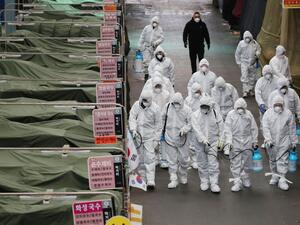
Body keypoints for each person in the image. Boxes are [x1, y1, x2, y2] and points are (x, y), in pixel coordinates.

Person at [262, 95, 297, 191]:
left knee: (283, 160)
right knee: (272, 159)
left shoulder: (288, 113)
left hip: (284, 140)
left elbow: (292, 128)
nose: (278, 106)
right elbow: (265, 127)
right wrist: (268, 139)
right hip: (271, 141)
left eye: (280, 104)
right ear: (273, 104)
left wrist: (293, 141)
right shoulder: (268, 114)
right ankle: (274, 175)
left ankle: (282, 179)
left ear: (283, 105)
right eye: (276, 104)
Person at [129, 91, 162, 190]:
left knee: (150, 158)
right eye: (143, 100)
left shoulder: (155, 109)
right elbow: (132, 118)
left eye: (147, 101)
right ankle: (142, 178)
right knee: (140, 158)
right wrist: (133, 130)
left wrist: (156, 139)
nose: (144, 102)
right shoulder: (136, 105)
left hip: (150, 137)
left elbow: (158, 126)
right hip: (138, 137)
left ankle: (151, 180)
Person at [224, 98, 258, 192]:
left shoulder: (248, 114)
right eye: (238, 108)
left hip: (247, 140)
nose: (240, 110)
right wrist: (229, 142)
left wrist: (254, 141)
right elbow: (227, 129)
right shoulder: (231, 115)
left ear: (245, 108)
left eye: (241, 108)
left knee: (248, 161)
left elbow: (253, 128)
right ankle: (237, 181)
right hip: (235, 140)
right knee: (235, 162)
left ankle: (245, 177)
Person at [191, 96, 224, 193]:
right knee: (202, 163)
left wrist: (221, 141)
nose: (204, 108)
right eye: (203, 106)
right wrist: (203, 139)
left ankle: (214, 183)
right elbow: (196, 130)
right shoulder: (195, 115)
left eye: (206, 106)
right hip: (199, 143)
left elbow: (221, 128)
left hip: (213, 142)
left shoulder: (215, 114)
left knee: (213, 164)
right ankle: (204, 181)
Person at [162, 93, 192, 188]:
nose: (176, 105)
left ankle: (183, 174)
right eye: (174, 103)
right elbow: (162, 119)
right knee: (172, 159)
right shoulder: (167, 107)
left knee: (184, 159)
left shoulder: (187, 110)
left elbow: (191, 123)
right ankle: (173, 178)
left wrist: (184, 129)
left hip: (182, 138)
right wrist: (161, 131)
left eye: (178, 103)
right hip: (169, 136)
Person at [150, 76, 171, 168]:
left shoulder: (166, 94)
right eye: (156, 86)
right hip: (153, 120)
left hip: (163, 120)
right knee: (154, 140)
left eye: (159, 85)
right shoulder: (150, 95)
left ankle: (164, 159)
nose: (158, 87)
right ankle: (156, 158)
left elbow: (169, 105)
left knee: (163, 140)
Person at [235, 30, 261, 98]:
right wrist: (238, 62)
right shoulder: (241, 44)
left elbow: (259, 49)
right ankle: (245, 91)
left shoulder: (254, 43)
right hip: (244, 62)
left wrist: (257, 53)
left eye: (248, 37)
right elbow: (237, 53)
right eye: (246, 37)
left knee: (252, 77)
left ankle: (250, 89)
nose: (247, 39)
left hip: (252, 62)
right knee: (244, 76)